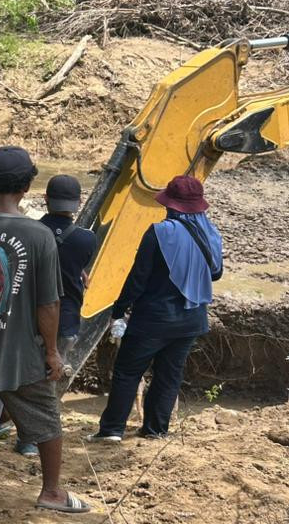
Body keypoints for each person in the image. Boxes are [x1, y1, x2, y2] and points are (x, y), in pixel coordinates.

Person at [0, 146, 90, 516]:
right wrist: (52, 352)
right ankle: (51, 492)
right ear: (26, 187)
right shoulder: (39, 237)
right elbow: (49, 304)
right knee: (46, 420)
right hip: (23, 353)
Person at [89, 175, 223, 442]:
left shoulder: (159, 232)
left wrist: (119, 311)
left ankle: (112, 430)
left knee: (128, 371)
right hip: (191, 320)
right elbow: (216, 273)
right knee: (169, 375)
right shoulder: (210, 233)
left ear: (170, 205)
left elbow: (137, 279)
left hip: (153, 319)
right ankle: (155, 430)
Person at [0, 174, 98, 456]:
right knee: (46, 380)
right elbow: (77, 269)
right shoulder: (86, 239)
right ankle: (30, 441)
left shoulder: (30, 230)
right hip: (65, 319)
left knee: (5, 371)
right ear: (78, 203)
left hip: (25, 317)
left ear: (45, 199)